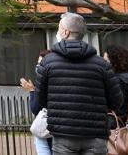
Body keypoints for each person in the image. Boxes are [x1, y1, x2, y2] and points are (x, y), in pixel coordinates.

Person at [34, 13, 122, 155]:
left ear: (66, 32)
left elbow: (41, 100)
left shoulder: (48, 63)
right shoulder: (102, 64)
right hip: (96, 133)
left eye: (59, 28)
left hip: (63, 132)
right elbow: (116, 102)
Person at [20, 50, 53, 155]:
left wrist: (32, 91)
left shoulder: (44, 83)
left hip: (46, 129)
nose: (38, 67)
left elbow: (36, 108)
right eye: (37, 64)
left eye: (40, 64)